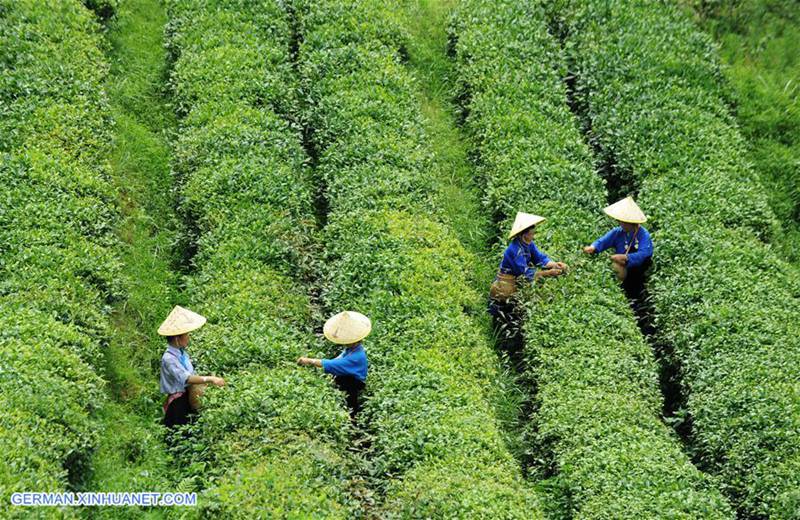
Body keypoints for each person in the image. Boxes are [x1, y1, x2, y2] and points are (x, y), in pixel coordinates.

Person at [488, 212, 567, 361]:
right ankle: (500, 353)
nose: (534, 236)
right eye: (532, 233)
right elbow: (525, 273)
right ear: (524, 235)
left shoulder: (528, 245)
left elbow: (540, 258)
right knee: (504, 322)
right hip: (504, 290)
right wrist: (548, 273)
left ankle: (510, 352)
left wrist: (554, 264)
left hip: (515, 288)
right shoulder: (514, 250)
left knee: (513, 322)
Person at [158, 305, 225, 428]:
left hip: (187, 396)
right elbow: (187, 378)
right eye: (186, 335)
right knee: (179, 432)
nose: (188, 338)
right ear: (178, 338)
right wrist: (209, 379)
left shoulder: (182, 353)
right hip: (178, 404)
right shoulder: (169, 359)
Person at [297, 311, 369, 420]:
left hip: (354, 382)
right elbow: (337, 359)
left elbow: (332, 364)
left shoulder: (356, 356)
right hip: (348, 378)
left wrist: (309, 361)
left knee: (351, 403)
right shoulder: (352, 349)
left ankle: (353, 420)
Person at [583, 196, 653, 302]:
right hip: (624, 271)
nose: (621, 224)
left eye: (624, 222)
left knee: (636, 290)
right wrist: (593, 247)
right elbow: (603, 241)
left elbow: (645, 254)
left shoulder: (643, 235)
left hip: (638, 270)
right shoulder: (618, 232)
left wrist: (627, 258)